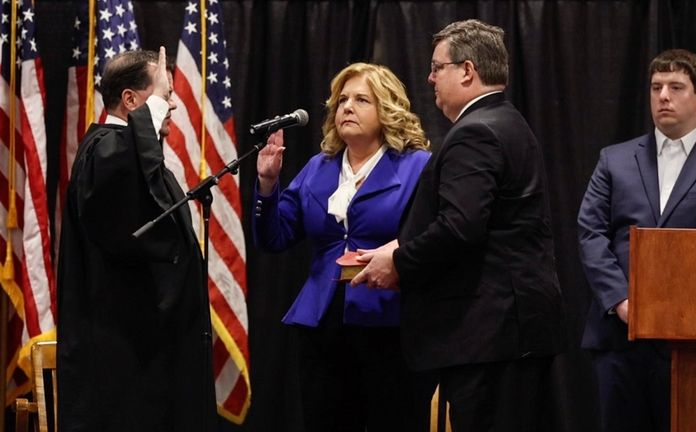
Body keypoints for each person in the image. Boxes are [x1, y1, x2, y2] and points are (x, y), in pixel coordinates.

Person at [352, 20, 566, 432]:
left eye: (438, 67)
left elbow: (460, 227)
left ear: (467, 71)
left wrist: (398, 260)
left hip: (490, 336)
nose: (430, 77)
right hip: (507, 334)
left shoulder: (475, 133)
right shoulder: (506, 121)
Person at [577, 48, 696, 432]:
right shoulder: (614, 159)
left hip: (693, 343)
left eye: (676, 87)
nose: (663, 96)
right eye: (656, 86)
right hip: (620, 335)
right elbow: (591, 232)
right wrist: (621, 301)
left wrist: (679, 311)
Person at [252, 63, 433, 432]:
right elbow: (274, 238)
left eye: (361, 100)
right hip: (321, 325)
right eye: (342, 100)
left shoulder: (417, 166)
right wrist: (267, 185)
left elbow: (432, 237)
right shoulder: (319, 167)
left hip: (389, 322)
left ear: (387, 110)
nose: (346, 107)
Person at [57, 47, 217, 431]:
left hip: (157, 361)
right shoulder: (107, 153)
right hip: (124, 368)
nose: (174, 105)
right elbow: (125, 230)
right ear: (130, 99)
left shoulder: (134, 156)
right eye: (165, 94)